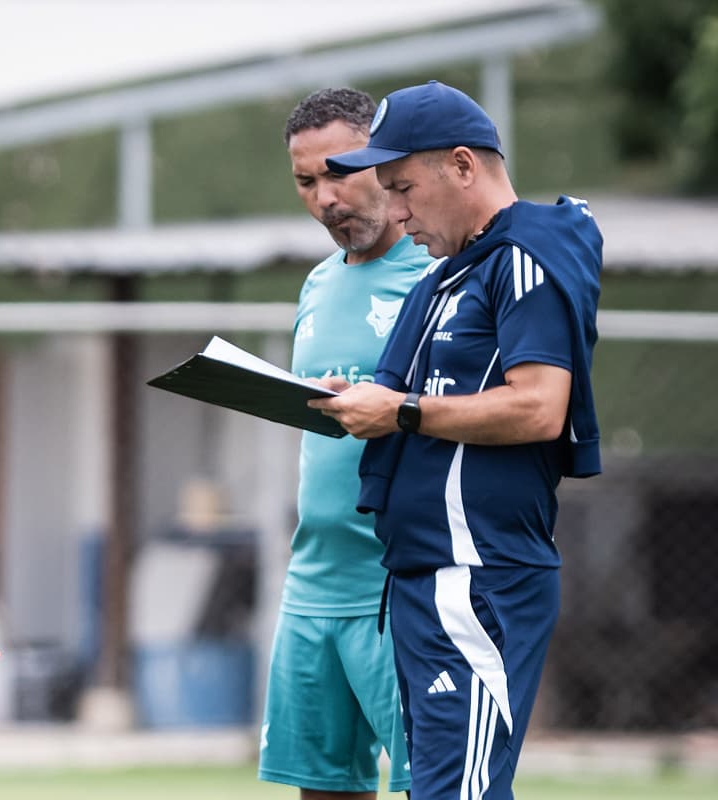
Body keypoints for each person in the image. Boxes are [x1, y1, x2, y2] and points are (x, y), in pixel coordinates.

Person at [313, 81, 603, 799]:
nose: (396, 211)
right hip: (424, 578)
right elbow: (407, 400)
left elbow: (539, 407)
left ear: (464, 166)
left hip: (477, 577)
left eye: (404, 187)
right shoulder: (446, 279)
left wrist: (403, 412)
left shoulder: (524, 256)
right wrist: (363, 403)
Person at [258, 88, 430, 800]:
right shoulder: (318, 283)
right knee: (321, 788)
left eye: (340, 172)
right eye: (306, 182)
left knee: (437, 784)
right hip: (312, 583)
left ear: (385, 164)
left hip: (401, 584)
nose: (325, 198)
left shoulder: (440, 273)